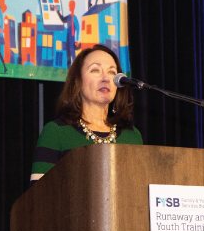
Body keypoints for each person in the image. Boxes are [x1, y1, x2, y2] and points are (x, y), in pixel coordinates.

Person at [30, 44, 144, 182]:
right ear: (78, 81)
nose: (106, 78)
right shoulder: (56, 132)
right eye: (95, 70)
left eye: (112, 72)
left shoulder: (132, 136)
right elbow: (38, 196)